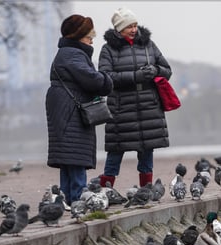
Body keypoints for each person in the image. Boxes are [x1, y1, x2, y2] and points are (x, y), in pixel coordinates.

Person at [98, 6, 172, 188]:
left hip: (148, 104)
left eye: (135, 25)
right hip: (121, 106)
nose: (133, 30)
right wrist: (134, 76)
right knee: (116, 150)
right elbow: (105, 77)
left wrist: (155, 70)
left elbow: (167, 70)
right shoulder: (107, 50)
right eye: (129, 26)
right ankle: (106, 190)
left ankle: (146, 190)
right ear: (118, 29)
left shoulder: (149, 45)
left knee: (147, 148)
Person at [45, 14, 113, 205]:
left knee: (69, 158)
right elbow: (93, 79)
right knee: (75, 157)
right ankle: (78, 202)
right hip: (71, 111)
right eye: (88, 36)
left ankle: (66, 201)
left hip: (65, 108)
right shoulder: (73, 54)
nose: (92, 39)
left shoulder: (67, 53)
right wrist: (107, 78)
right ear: (78, 36)